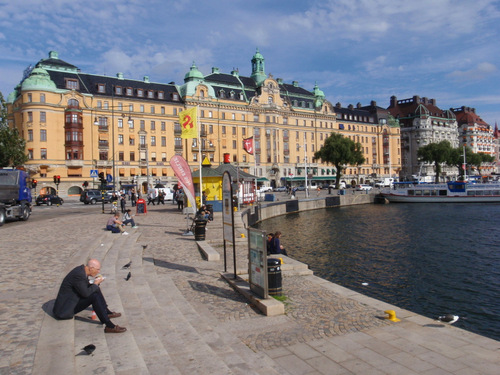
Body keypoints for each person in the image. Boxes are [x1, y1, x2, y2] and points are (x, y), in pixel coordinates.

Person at [53, 259, 126, 333]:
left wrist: (95, 284)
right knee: (94, 295)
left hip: (71, 301)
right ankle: (109, 326)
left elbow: (84, 288)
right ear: (91, 268)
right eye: (97, 270)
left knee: (95, 289)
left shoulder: (82, 271)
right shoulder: (79, 275)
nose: (98, 272)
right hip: (64, 311)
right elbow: (86, 294)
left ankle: (107, 312)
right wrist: (95, 284)